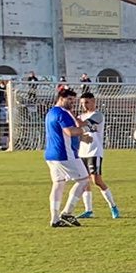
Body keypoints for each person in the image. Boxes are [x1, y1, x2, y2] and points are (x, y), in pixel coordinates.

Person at [43, 85, 90, 227]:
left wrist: (82, 137)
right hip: (64, 153)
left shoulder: (51, 112)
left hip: (51, 155)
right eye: (69, 99)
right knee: (84, 180)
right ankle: (67, 212)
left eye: (73, 100)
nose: (72, 102)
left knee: (58, 184)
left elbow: (62, 134)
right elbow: (70, 132)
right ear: (61, 99)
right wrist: (86, 128)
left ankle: (55, 219)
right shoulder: (62, 113)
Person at [73, 90, 120, 220]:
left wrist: (72, 117)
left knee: (97, 180)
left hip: (94, 152)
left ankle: (113, 206)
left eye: (87, 102)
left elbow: (82, 125)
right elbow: (77, 133)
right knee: (84, 181)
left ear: (93, 101)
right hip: (82, 152)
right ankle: (89, 210)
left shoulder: (98, 115)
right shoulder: (80, 116)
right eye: (82, 103)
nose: (84, 105)